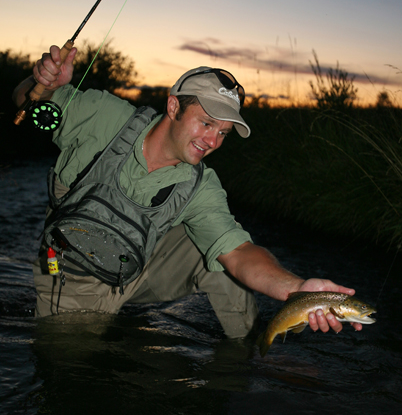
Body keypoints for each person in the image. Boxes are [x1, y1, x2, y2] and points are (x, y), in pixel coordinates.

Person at [13, 45, 363, 339]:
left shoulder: (201, 185)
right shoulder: (104, 116)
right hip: (69, 275)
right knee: (69, 365)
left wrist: (297, 290)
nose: (212, 141)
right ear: (173, 107)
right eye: (207, 123)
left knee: (221, 267)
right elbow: (25, 100)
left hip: (134, 270)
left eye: (224, 133)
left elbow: (239, 253)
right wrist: (38, 81)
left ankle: (252, 353)